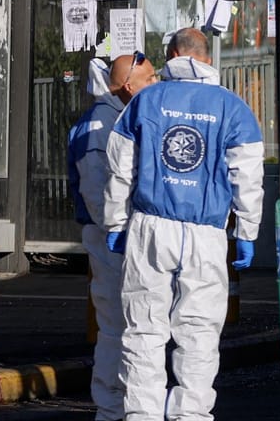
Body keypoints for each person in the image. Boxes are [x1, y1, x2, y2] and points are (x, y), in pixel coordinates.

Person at [103, 27, 264, 421]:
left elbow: (119, 167)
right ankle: (190, 415)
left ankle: (141, 414)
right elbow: (248, 176)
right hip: (207, 233)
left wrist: (115, 222)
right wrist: (246, 232)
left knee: (143, 328)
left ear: (173, 54)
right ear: (206, 57)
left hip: (151, 226)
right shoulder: (233, 107)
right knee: (199, 332)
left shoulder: (145, 101)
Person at [66, 52, 157, 421]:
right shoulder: (101, 126)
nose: (156, 84)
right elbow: (97, 190)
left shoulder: (119, 117)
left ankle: (120, 405)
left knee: (127, 325)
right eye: (150, 78)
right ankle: (110, 407)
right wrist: (120, 232)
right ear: (128, 86)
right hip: (111, 237)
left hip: (121, 234)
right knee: (117, 327)